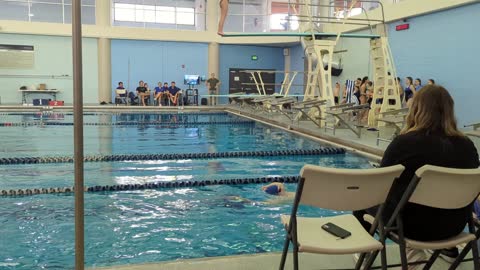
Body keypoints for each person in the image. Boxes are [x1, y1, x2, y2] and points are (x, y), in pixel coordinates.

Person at [354, 85, 479, 267]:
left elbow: (378, 184)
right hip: (454, 226)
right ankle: (448, 250)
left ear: (416, 109)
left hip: (410, 227)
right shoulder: (467, 146)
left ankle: (363, 252)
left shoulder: (404, 143)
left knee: (365, 196)